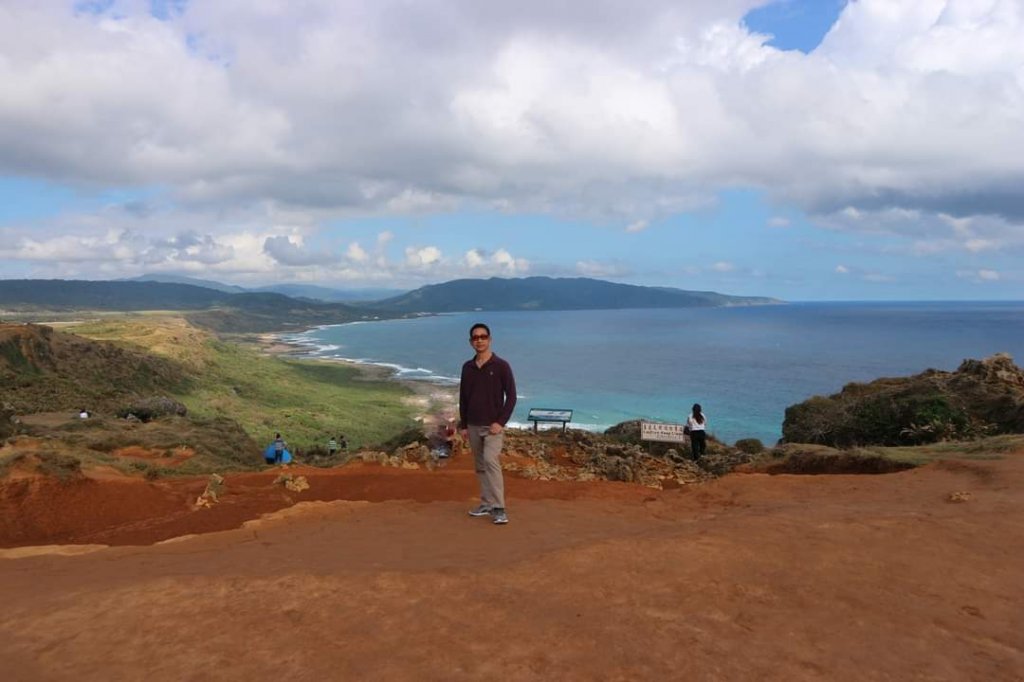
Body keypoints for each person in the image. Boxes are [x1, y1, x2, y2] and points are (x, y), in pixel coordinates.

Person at [459, 323, 517, 525]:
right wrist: (463, 425)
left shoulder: (501, 366)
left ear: (490, 339)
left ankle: (499, 508)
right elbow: (463, 398)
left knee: (491, 462)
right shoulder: (467, 367)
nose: (479, 340)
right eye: (475, 337)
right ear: (470, 342)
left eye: (483, 336)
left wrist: (500, 422)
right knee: (480, 466)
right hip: (473, 425)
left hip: (492, 427)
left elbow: (511, 397)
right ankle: (485, 503)